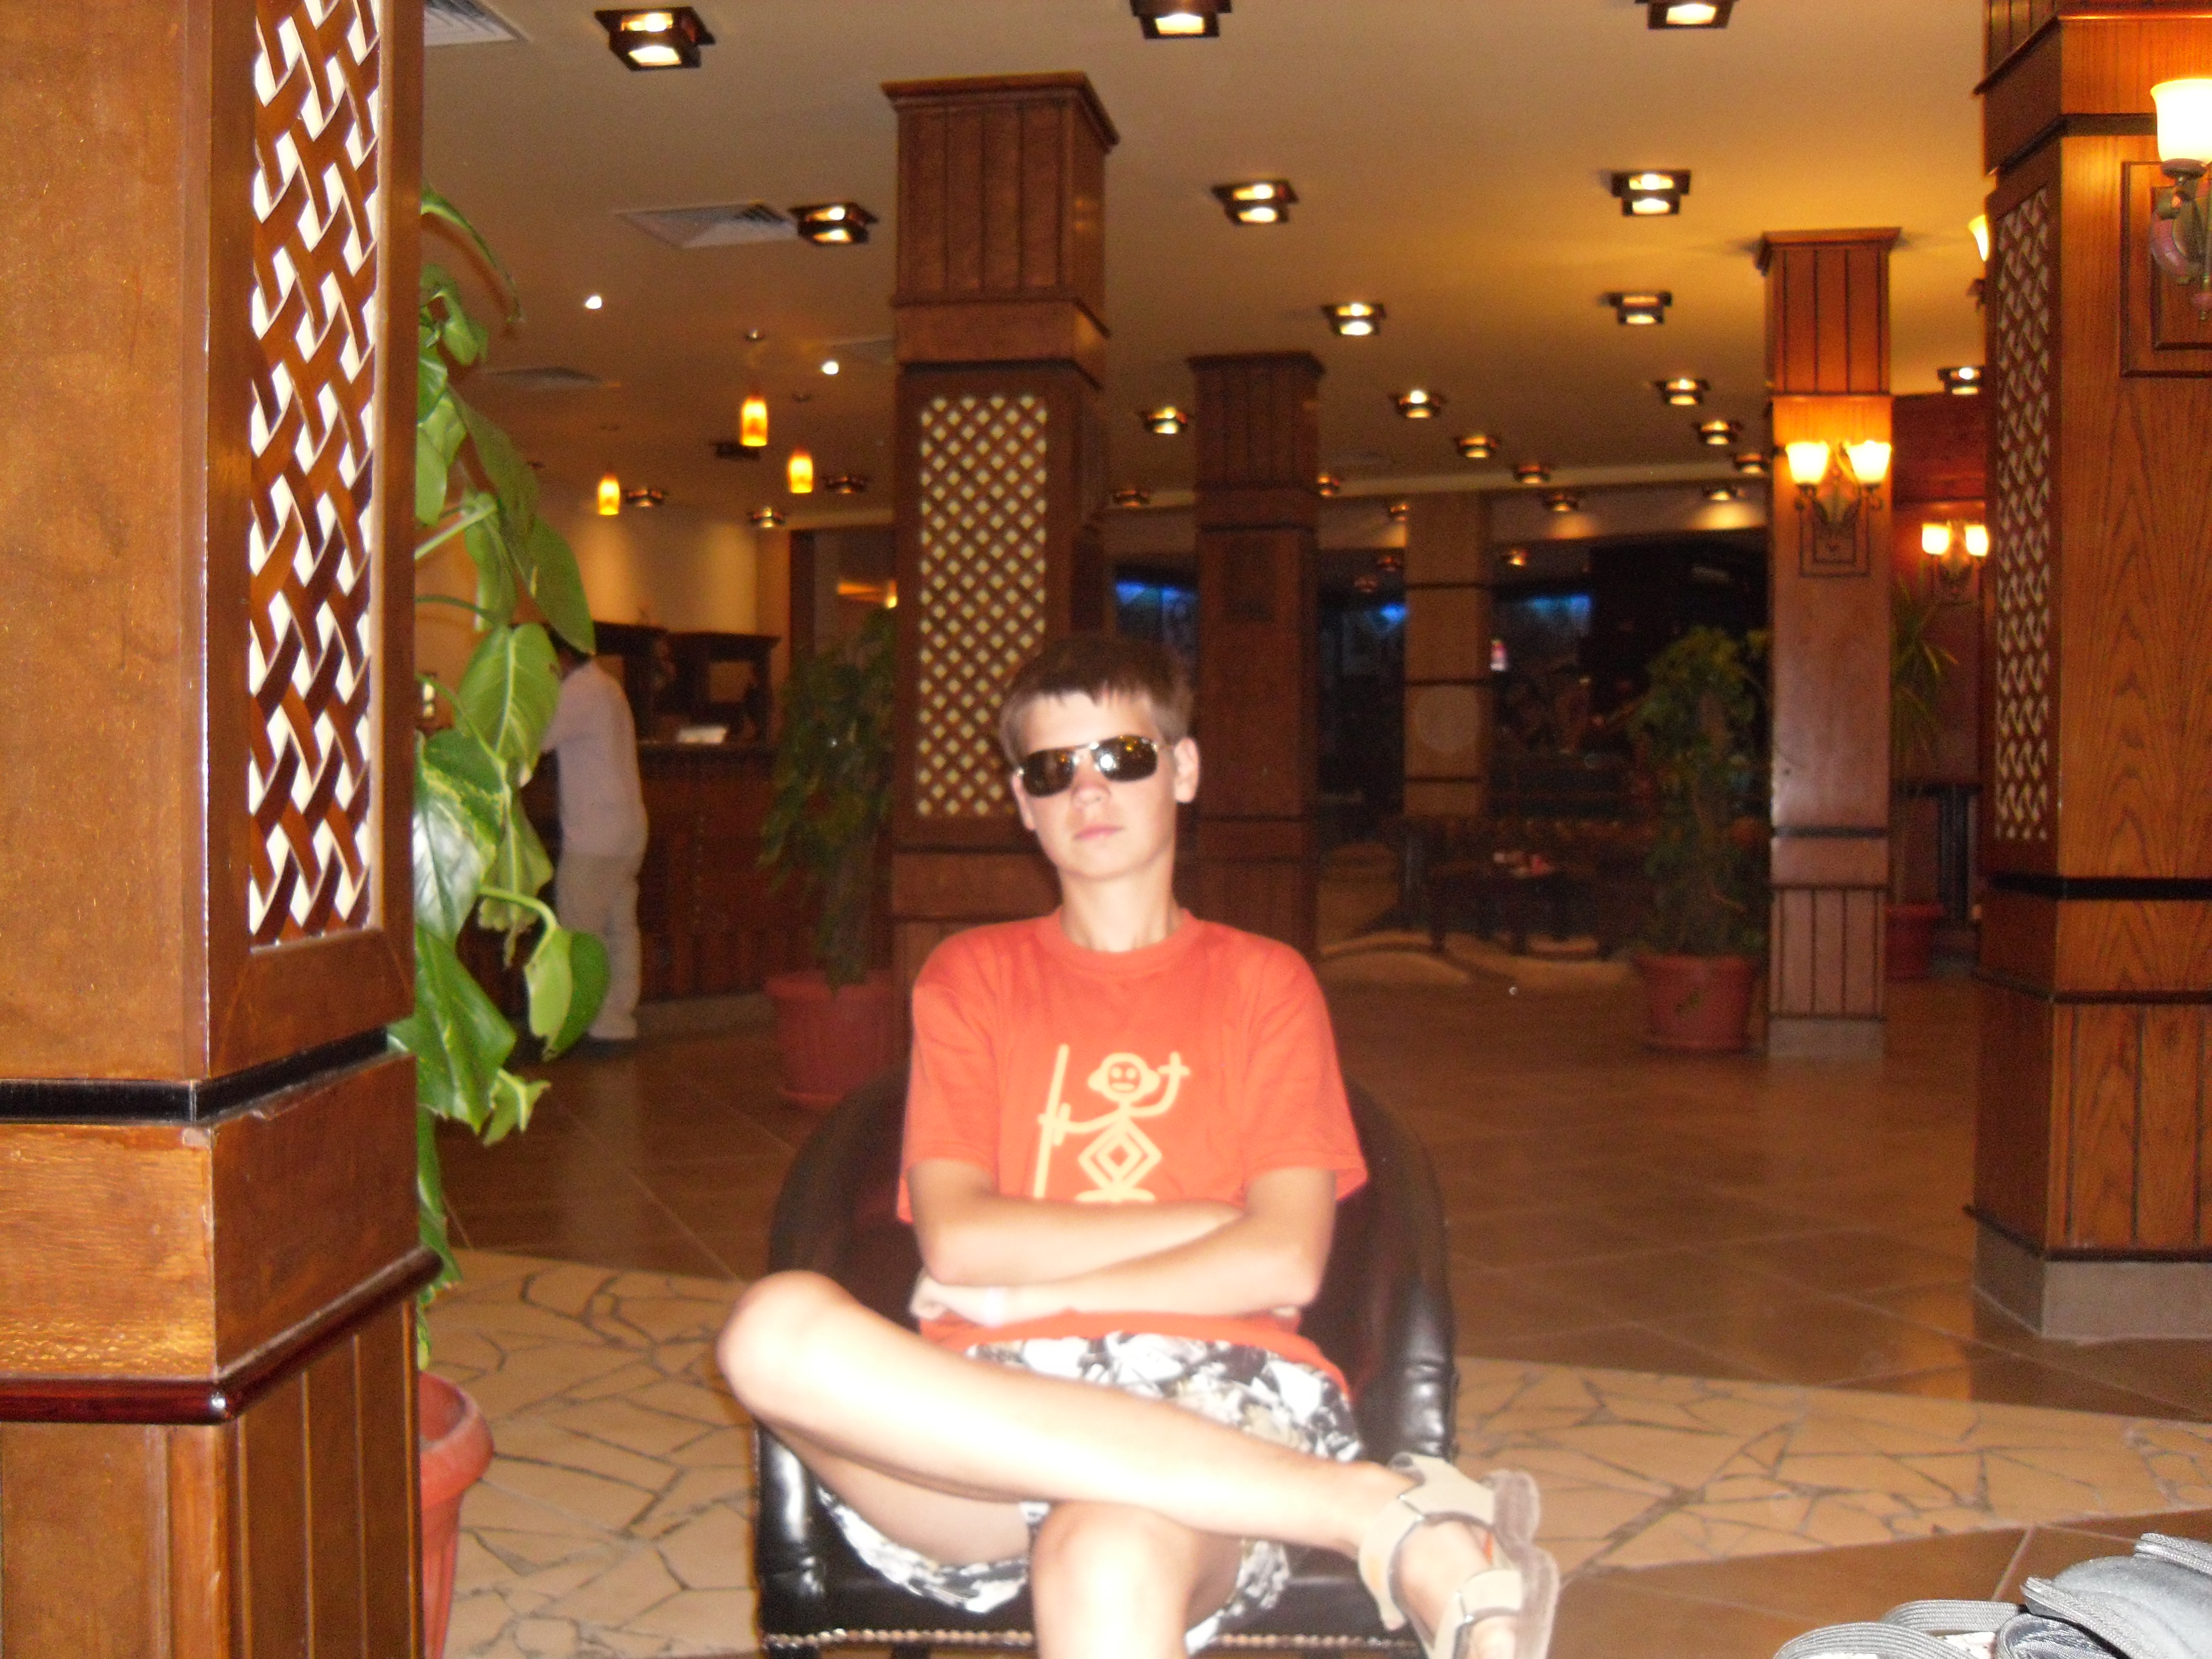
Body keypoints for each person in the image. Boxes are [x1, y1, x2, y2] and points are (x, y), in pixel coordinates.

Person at [717, 634, 1555, 1659]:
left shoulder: (1263, 983)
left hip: (1216, 1395)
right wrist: (1203, 1223)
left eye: (1121, 757)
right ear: (1023, 804)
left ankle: (1371, 1517)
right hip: (985, 1424)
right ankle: (1376, 1512)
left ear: (1183, 769)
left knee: (1106, 1551)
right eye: (1051, 770)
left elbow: (1285, 1259)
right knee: (772, 1329)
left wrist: (1025, 1295)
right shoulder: (971, 977)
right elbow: (959, 1241)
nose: (1088, 790)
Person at [541, 638, 648, 1045]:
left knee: (582, 933)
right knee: (620, 930)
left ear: (564, 656)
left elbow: (534, 738)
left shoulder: (578, 691)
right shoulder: (608, 686)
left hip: (595, 837)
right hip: (628, 829)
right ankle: (619, 1021)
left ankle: (597, 1026)